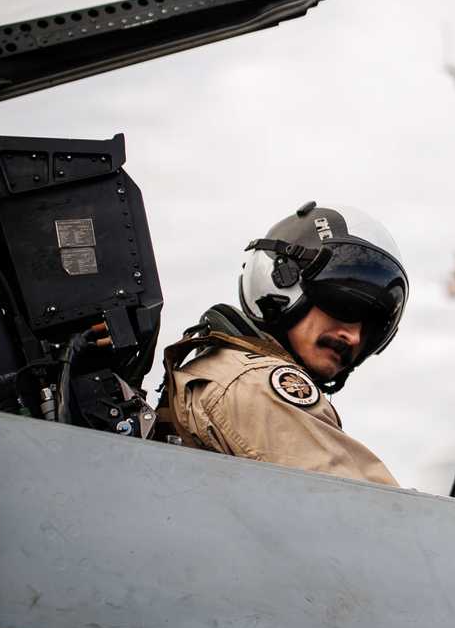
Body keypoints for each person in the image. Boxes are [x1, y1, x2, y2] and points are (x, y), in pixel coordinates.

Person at [156, 202, 408, 487]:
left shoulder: (223, 372)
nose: (354, 338)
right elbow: (379, 516)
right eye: (345, 306)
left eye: (370, 328)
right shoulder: (253, 383)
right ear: (282, 281)